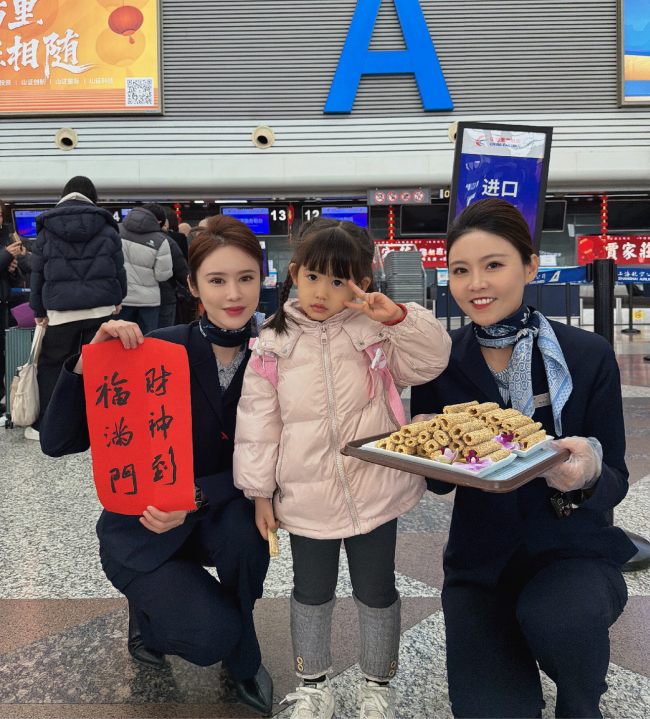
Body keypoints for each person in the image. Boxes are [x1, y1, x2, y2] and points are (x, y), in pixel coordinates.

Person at [410, 198, 636, 719]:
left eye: (494, 265)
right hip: (480, 563)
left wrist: (586, 473)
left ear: (530, 266)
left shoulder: (585, 355)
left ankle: (582, 702)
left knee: (561, 619)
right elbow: (442, 485)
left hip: (572, 549)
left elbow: (617, 478)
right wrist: (426, 447)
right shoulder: (440, 362)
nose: (476, 284)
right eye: (460, 270)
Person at [39, 215, 274, 716]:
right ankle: (150, 612)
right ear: (192, 285)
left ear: (263, 277)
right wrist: (88, 363)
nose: (233, 294)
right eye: (217, 280)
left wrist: (198, 495)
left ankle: (243, 649)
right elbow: (57, 443)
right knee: (207, 637)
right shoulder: (155, 350)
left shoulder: (277, 355)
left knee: (245, 536)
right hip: (142, 531)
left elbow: (280, 459)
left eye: (246, 278)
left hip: (215, 513)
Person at [234, 218, 451, 719]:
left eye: (338, 281)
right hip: (306, 494)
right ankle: (313, 685)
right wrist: (259, 492)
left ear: (363, 284)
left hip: (376, 488)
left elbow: (433, 360)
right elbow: (257, 423)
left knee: (377, 591)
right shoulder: (272, 340)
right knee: (311, 592)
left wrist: (397, 317)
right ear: (293, 274)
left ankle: (379, 685)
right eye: (312, 277)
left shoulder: (375, 329)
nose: (322, 292)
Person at [28, 177, 127, 440]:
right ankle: (101, 423)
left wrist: (38, 309)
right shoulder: (107, 226)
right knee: (101, 366)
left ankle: (49, 425)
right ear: (92, 197)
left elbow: (38, 273)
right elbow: (118, 268)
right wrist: (119, 298)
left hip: (61, 311)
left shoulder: (47, 227)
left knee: (53, 367)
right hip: (100, 310)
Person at [118, 206, 172, 334]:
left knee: (117, 342)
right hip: (148, 302)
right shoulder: (161, 240)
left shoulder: (114, 231)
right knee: (145, 342)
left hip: (120, 299)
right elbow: (162, 275)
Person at [142, 203, 189, 329]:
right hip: (164, 297)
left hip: (132, 300)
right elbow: (181, 271)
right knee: (164, 340)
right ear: (161, 222)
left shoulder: (123, 237)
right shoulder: (165, 240)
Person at [0, 199, 24, 410]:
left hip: (4, 302)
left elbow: (15, 279)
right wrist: (6, 256)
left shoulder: (2, 240)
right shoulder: (4, 247)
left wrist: (13, 269)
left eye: (0, 215)